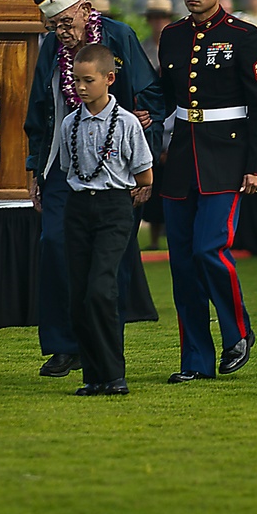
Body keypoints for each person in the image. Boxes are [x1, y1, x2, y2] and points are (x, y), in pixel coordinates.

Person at [25, 0, 164, 379]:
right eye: (55, 26)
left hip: (114, 172)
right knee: (54, 245)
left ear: (87, 10)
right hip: (62, 164)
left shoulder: (117, 36)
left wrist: (146, 115)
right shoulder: (51, 47)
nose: (62, 32)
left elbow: (152, 89)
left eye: (67, 23)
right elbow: (39, 106)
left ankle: (105, 348)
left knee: (109, 261)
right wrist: (34, 167)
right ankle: (63, 346)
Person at [158, 0, 257, 383]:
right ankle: (194, 361)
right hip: (181, 162)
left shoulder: (246, 37)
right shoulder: (171, 35)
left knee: (209, 248)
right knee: (182, 266)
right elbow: (165, 95)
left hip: (226, 160)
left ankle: (238, 331)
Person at [61, 44, 153, 396]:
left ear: (109, 79)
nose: (81, 87)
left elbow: (144, 176)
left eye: (88, 80)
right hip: (79, 207)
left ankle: (114, 373)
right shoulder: (71, 123)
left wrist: (122, 191)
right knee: (80, 294)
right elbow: (70, 168)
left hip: (114, 207)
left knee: (102, 289)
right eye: (76, 81)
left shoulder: (127, 122)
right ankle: (92, 375)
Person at [139, 0, 174, 251]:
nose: (158, 22)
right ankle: (152, 237)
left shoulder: (177, 45)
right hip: (149, 119)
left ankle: (170, 235)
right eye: (155, 18)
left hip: (174, 121)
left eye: (162, 17)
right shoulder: (142, 49)